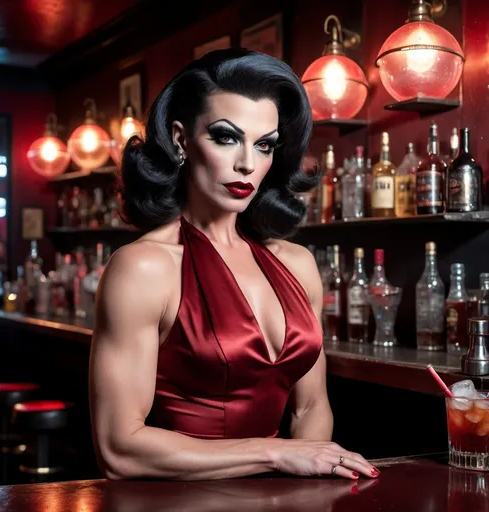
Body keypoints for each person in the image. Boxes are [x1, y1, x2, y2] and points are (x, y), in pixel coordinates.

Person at [89, 48, 378, 481]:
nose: (247, 162)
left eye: (264, 145)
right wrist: (276, 455)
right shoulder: (144, 267)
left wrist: (295, 490)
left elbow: (311, 406)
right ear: (182, 140)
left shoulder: (297, 264)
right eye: (226, 137)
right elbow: (119, 448)